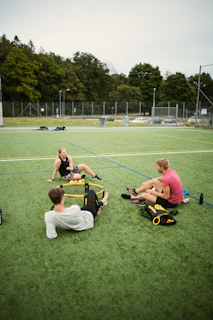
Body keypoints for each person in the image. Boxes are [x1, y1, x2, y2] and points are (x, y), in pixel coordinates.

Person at [45, 187, 109, 239]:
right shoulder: (74, 208)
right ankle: (102, 202)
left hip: (78, 215)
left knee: (87, 206)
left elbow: (52, 235)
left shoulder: (48, 215)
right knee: (91, 192)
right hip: (88, 217)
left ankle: (100, 204)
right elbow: (76, 211)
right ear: (62, 198)